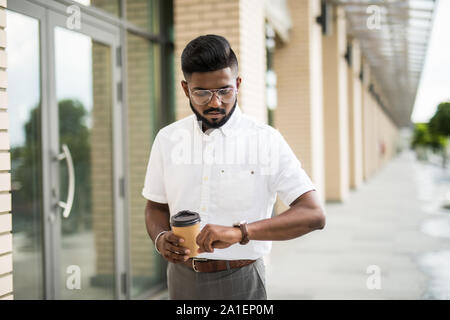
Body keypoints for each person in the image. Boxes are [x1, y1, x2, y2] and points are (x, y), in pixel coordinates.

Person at [143, 34, 326, 300]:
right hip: (180, 280)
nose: (215, 102)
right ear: (186, 89)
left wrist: (240, 233)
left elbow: (313, 214)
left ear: (238, 84)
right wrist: (160, 238)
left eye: (224, 91)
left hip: (241, 281)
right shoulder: (167, 139)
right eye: (202, 92)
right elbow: (155, 207)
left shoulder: (266, 140)